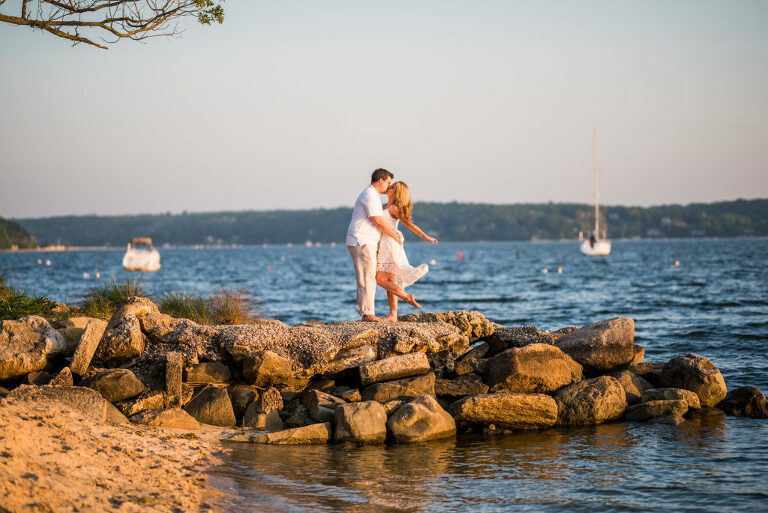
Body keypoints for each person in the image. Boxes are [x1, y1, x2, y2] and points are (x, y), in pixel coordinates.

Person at [346, 169, 404, 321]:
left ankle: (367, 312)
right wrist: (394, 235)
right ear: (381, 180)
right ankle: (368, 314)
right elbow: (377, 220)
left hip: (362, 241)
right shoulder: (370, 195)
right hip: (362, 240)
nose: (388, 186)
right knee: (368, 276)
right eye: (388, 182)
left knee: (367, 276)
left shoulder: (371, 195)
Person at [376, 181, 438, 321]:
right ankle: (393, 315)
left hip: (391, 243)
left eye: (392, 187)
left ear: (397, 193)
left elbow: (409, 224)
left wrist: (424, 236)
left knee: (380, 279)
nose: (389, 187)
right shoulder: (384, 205)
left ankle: (406, 297)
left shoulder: (394, 208)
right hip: (383, 243)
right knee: (390, 280)